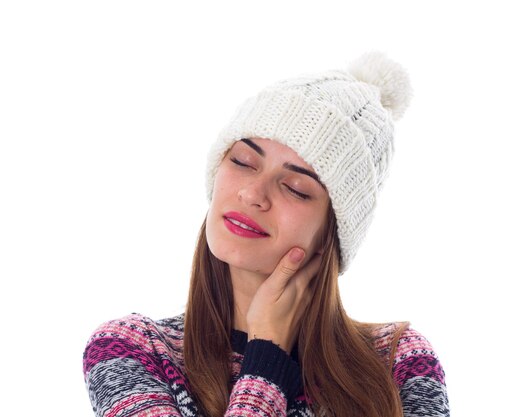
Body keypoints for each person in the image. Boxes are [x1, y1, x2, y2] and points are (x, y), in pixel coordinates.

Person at [82, 51, 450, 417]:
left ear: (330, 234)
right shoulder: (131, 348)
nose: (253, 194)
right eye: (242, 162)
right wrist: (267, 356)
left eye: (295, 187)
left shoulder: (397, 362)